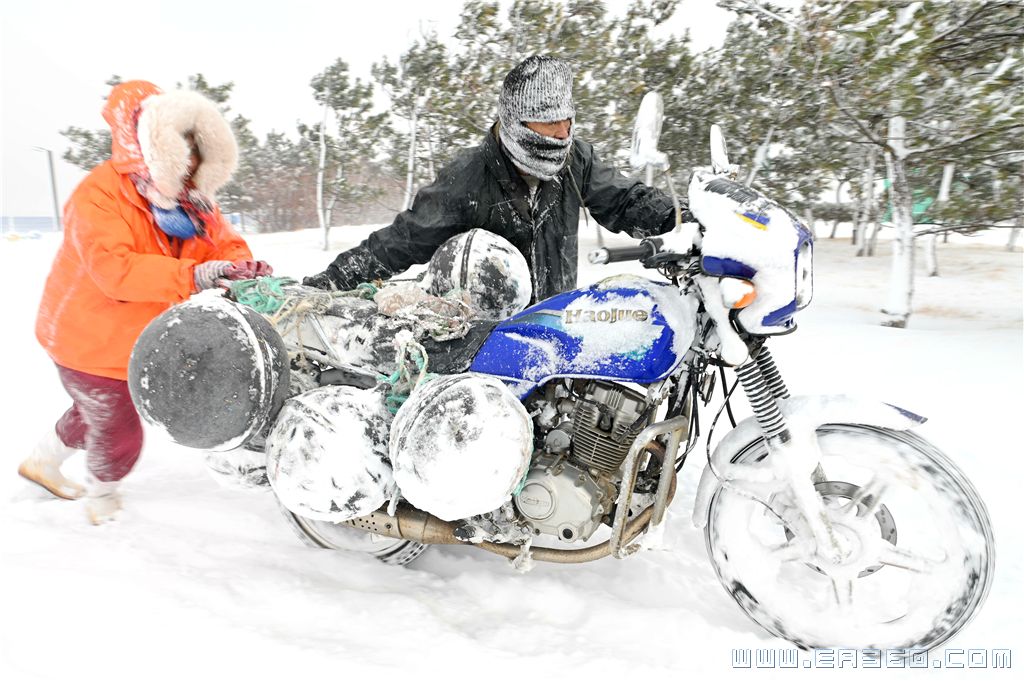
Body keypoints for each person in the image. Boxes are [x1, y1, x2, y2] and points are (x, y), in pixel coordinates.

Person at [19, 80, 271, 524]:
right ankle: (104, 502)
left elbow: (223, 244)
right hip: (87, 338)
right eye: (182, 149)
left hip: (139, 340)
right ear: (151, 145)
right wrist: (192, 277)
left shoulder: (192, 204)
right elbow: (114, 270)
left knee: (96, 411)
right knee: (118, 428)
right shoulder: (98, 195)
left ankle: (41, 462)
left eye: (197, 151)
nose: (192, 162)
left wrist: (239, 266)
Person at [304, 55, 692, 301]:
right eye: (548, 121)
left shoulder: (577, 160)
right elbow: (402, 241)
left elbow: (625, 200)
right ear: (516, 120)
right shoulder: (469, 177)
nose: (561, 132)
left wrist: (683, 220)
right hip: (485, 341)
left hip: (557, 320)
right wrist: (332, 282)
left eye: (567, 119)